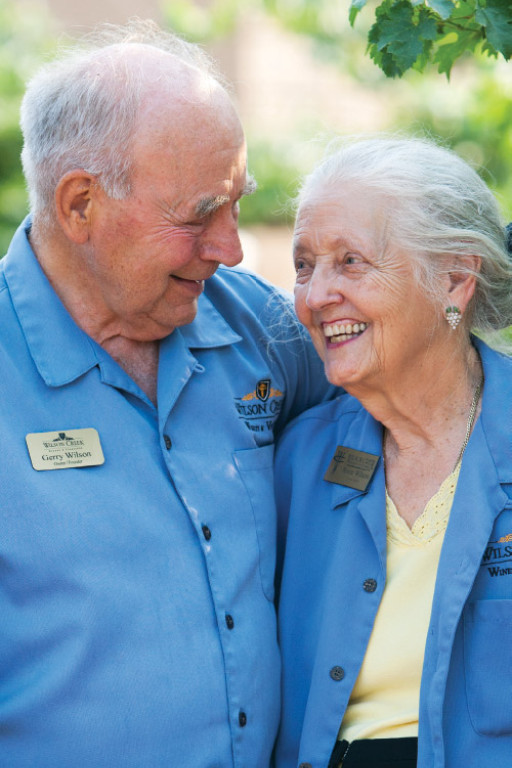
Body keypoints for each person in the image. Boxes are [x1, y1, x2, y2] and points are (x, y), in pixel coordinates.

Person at [0, 20, 334, 768]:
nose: (232, 248)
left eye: (238, 203)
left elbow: (401, 409)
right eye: (199, 214)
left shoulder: (257, 330)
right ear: (79, 205)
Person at [274, 137, 512, 768]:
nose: (315, 297)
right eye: (304, 266)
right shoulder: (298, 462)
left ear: (455, 281)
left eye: (350, 262)